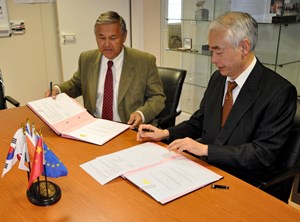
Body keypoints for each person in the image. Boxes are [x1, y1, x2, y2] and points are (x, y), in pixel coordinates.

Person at [137, 11, 297, 186]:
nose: (213, 59)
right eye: (211, 50)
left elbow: (262, 153)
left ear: (244, 47)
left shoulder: (278, 92)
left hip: (243, 183)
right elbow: (199, 121)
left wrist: (205, 149)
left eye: (218, 52)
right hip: (204, 170)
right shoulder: (218, 78)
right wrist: (165, 133)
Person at [45, 11, 165, 129]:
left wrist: (141, 114)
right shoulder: (87, 59)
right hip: (94, 126)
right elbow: (76, 84)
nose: (107, 44)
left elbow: (157, 97)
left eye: (113, 38)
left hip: (128, 128)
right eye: (101, 38)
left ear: (124, 36)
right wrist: (58, 89)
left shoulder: (144, 61)